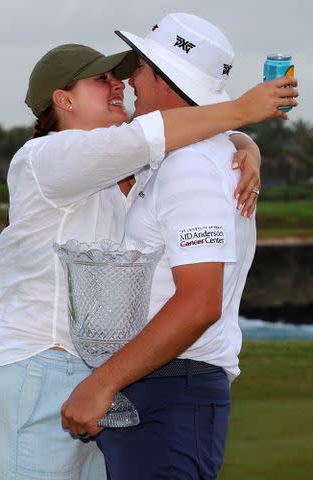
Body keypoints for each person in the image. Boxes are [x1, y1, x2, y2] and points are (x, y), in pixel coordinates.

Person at [0, 36, 297, 480]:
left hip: (99, 381)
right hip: (40, 369)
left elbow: (167, 142)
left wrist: (244, 144)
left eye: (118, 77)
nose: (119, 86)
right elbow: (151, 135)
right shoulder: (44, 156)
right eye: (101, 80)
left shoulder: (123, 169)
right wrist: (243, 114)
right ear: (63, 99)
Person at [60, 13, 299, 480]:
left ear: (167, 81)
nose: (130, 78)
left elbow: (199, 303)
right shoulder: (189, 158)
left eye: (142, 67)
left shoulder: (189, 167)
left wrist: (102, 383)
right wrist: (247, 140)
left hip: (172, 390)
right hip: (161, 386)